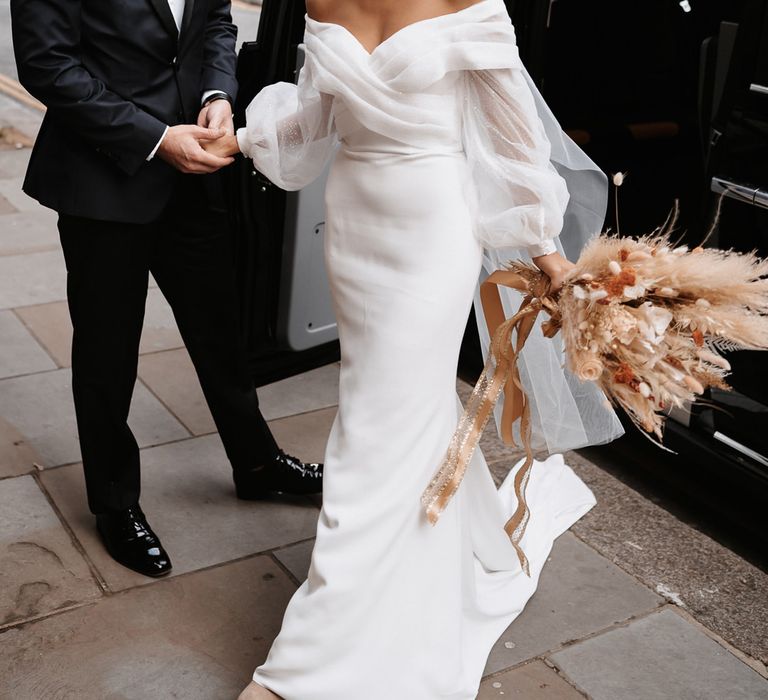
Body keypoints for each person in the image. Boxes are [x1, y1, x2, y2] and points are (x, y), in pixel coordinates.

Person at [205, 0, 625, 697]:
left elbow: (512, 138)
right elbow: (314, 122)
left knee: (374, 427)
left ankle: (312, 658)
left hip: (433, 227)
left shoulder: (471, 2)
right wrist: (244, 140)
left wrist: (552, 262)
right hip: (356, 219)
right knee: (393, 408)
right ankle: (449, 553)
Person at [10, 0, 323, 580]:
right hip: (104, 181)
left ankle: (256, 465)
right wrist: (154, 138)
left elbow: (216, 27)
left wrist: (218, 97)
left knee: (222, 333)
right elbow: (47, 65)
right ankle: (114, 502)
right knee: (108, 353)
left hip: (197, 174)